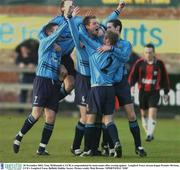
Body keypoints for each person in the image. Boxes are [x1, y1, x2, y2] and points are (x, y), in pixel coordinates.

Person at [68, 2, 125, 156]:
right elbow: (75, 33)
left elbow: (107, 21)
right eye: (94, 23)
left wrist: (118, 10)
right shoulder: (83, 41)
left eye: (98, 24)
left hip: (97, 83)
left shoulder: (99, 42)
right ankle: (76, 146)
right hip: (85, 79)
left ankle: (95, 148)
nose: (98, 25)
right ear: (87, 27)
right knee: (86, 116)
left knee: (97, 117)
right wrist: (71, 19)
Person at [13, 21, 68, 155]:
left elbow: (56, 65)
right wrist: (67, 19)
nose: (59, 33)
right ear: (49, 33)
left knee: (50, 117)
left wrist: (61, 73)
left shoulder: (59, 49)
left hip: (53, 83)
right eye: (56, 30)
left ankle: (41, 149)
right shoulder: (44, 43)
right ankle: (19, 136)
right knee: (36, 114)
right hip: (42, 81)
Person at [105, 19, 147, 157]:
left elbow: (124, 57)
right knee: (108, 117)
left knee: (131, 114)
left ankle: (138, 146)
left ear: (118, 29)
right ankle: (111, 146)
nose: (107, 29)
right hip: (107, 84)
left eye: (109, 27)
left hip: (121, 83)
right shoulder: (103, 42)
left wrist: (111, 48)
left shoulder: (126, 44)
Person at [128, 43, 170, 141]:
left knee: (152, 112)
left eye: (150, 52)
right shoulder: (139, 63)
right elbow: (132, 76)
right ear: (144, 53)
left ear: (154, 52)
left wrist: (166, 92)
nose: (148, 54)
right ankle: (148, 132)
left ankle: (150, 134)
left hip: (154, 92)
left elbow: (165, 79)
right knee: (143, 114)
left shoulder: (159, 64)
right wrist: (132, 87)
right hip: (142, 92)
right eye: (146, 52)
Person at [15, 39, 39, 111]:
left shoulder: (34, 54)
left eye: (24, 49)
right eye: (22, 49)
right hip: (25, 75)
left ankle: (33, 109)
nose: (23, 50)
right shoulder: (20, 55)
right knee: (23, 91)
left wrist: (33, 65)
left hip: (33, 75)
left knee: (34, 92)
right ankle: (21, 109)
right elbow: (17, 61)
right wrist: (20, 63)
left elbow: (36, 62)